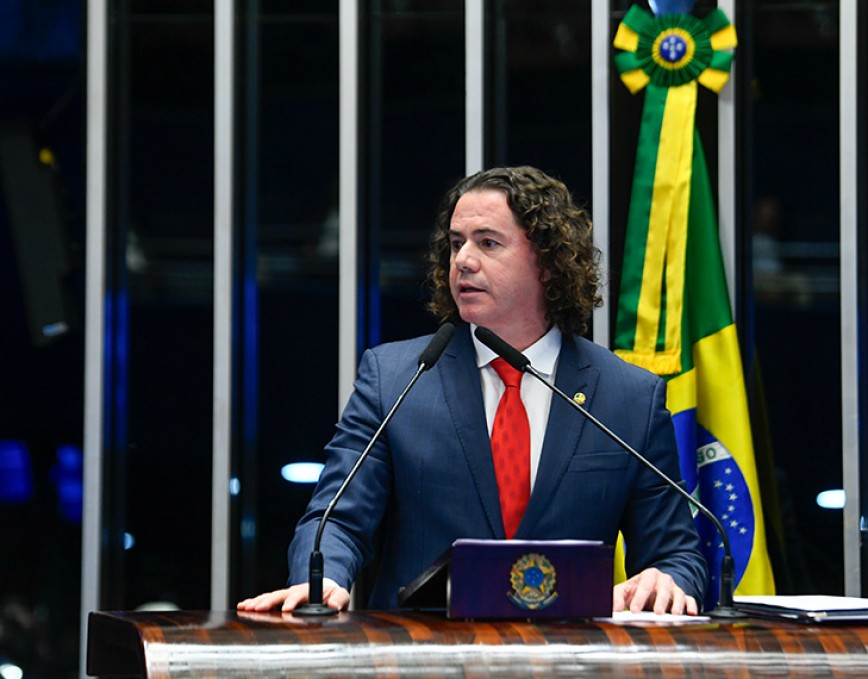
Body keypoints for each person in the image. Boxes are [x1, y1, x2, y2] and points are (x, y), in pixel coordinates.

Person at [237, 166, 707, 616]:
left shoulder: (628, 397)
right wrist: (323, 579)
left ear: (549, 262)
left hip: (567, 653)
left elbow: (676, 554)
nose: (462, 260)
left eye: (487, 243)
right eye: (456, 243)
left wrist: (667, 578)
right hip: (422, 651)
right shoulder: (396, 378)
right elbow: (336, 519)